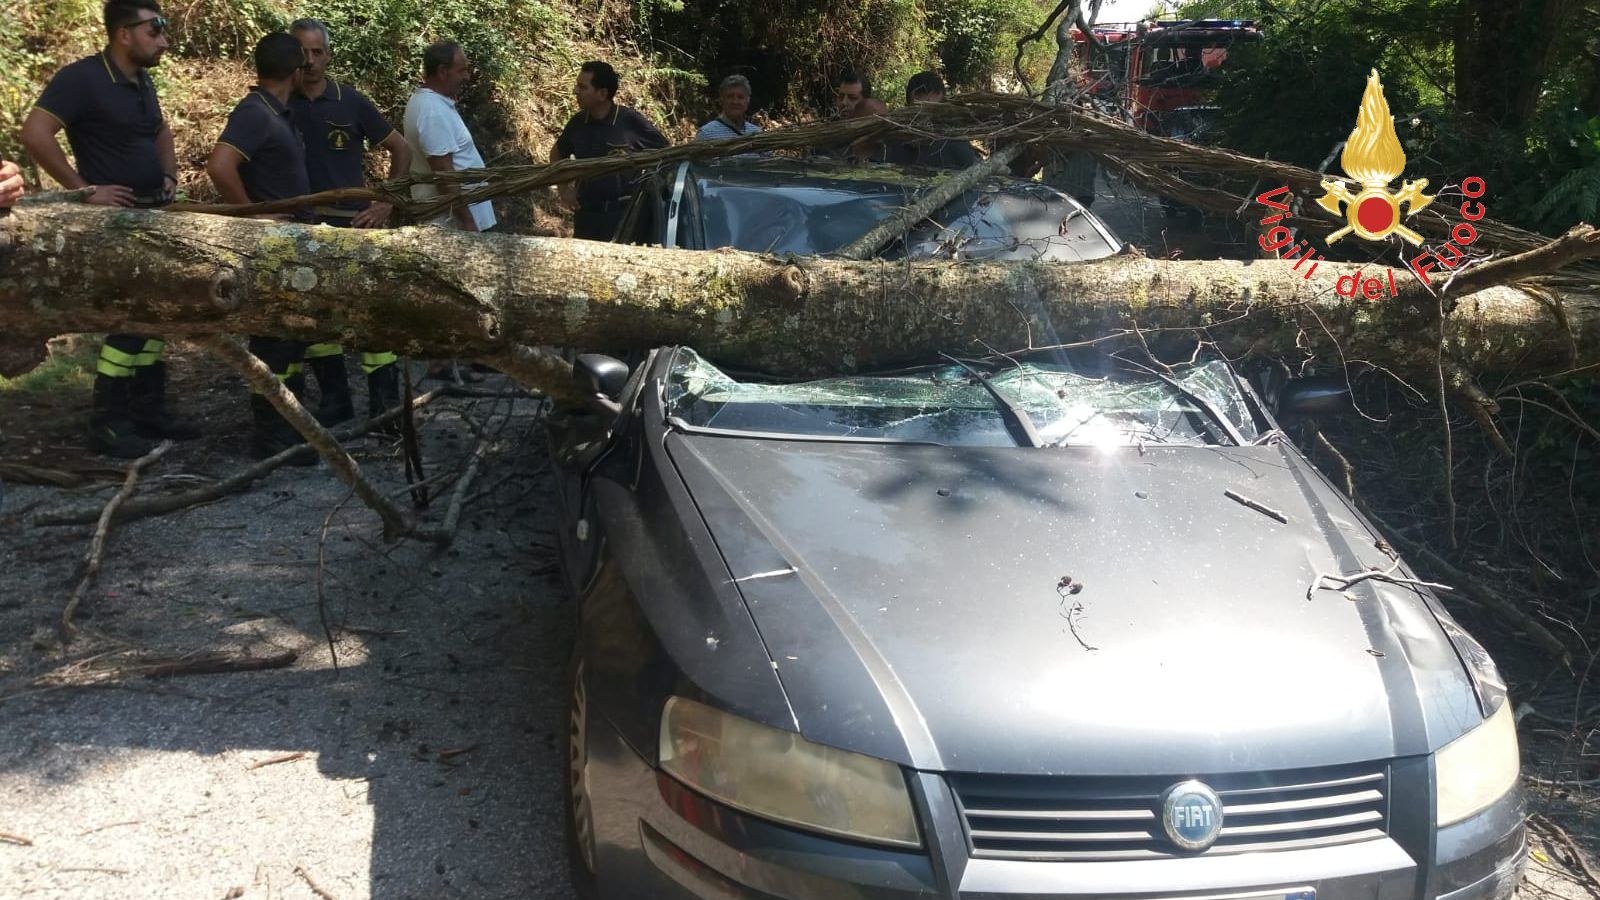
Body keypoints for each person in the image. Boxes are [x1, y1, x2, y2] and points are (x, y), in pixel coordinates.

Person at [19, 0, 200, 458]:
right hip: (115, 224)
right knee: (129, 320)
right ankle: (109, 423)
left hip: (154, 213)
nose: (164, 41)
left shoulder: (141, 80)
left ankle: (147, 410)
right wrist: (83, 191)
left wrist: (169, 174)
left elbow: (160, 131)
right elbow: (35, 133)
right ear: (124, 34)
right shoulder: (82, 78)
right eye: (155, 31)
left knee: (156, 315)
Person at [288, 18, 412, 428]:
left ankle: (386, 410)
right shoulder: (280, 102)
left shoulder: (350, 100)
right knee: (316, 317)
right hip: (302, 230)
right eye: (302, 53)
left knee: (371, 316)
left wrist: (384, 203)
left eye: (317, 52)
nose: (310, 61)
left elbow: (401, 149)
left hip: (355, 228)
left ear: (329, 55)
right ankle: (336, 400)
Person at [206, 32, 319, 462]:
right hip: (270, 247)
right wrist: (252, 217)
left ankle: (290, 425)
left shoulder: (278, 112)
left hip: (292, 242)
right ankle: (270, 435)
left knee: (289, 340)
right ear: (295, 71)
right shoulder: (255, 112)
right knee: (273, 342)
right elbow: (220, 166)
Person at [552, 61, 669, 241]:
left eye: (582, 87)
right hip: (587, 216)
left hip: (626, 216)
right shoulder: (577, 123)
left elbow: (666, 153)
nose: (575, 91)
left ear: (602, 93)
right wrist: (563, 190)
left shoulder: (630, 122)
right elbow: (557, 153)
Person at [404, 41, 495, 233]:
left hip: (458, 222)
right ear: (443, 71)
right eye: (462, 71)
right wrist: (468, 222)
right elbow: (444, 174)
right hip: (455, 226)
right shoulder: (432, 110)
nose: (467, 77)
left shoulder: (430, 103)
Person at [890, 71, 978, 170]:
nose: (928, 119)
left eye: (935, 110)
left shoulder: (955, 142)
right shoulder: (895, 142)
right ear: (908, 109)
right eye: (919, 110)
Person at [695, 75, 761, 142]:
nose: (735, 102)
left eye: (740, 97)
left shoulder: (757, 134)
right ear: (721, 101)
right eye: (730, 97)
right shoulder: (706, 134)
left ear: (747, 101)